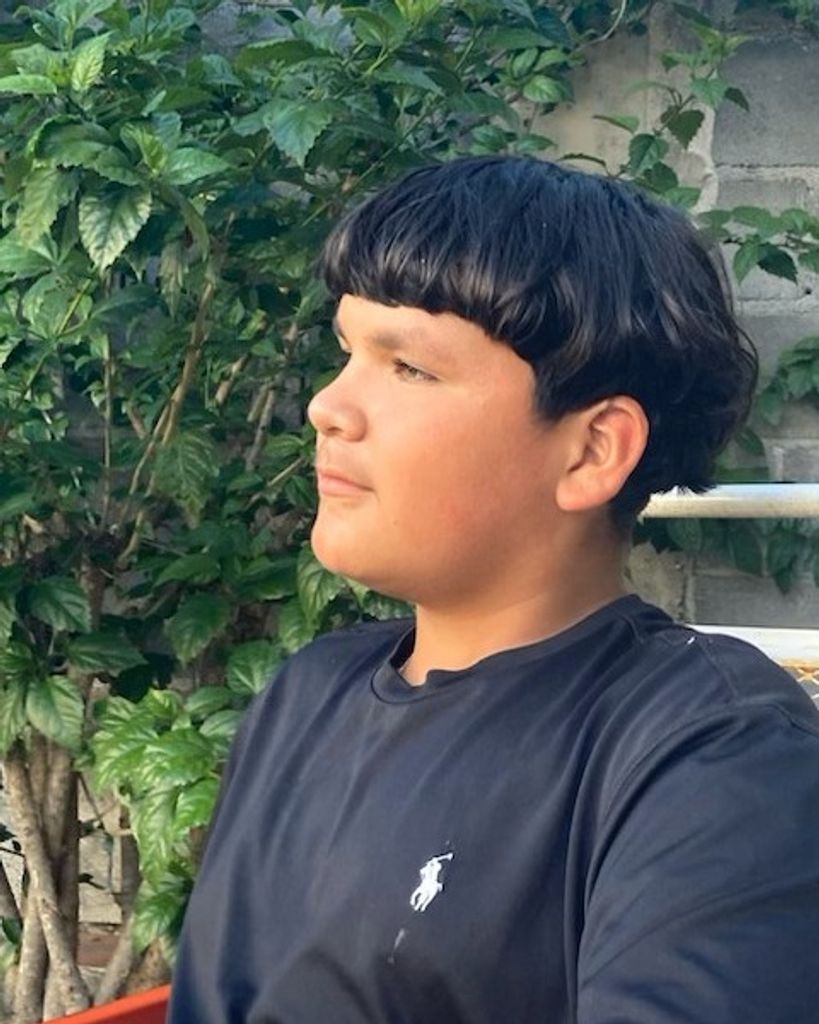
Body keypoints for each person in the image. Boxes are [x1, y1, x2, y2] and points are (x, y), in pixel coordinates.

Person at [167, 156, 819, 1023]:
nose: (327, 406)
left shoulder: (715, 755)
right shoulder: (307, 694)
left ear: (591, 451)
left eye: (408, 367)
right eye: (347, 352)